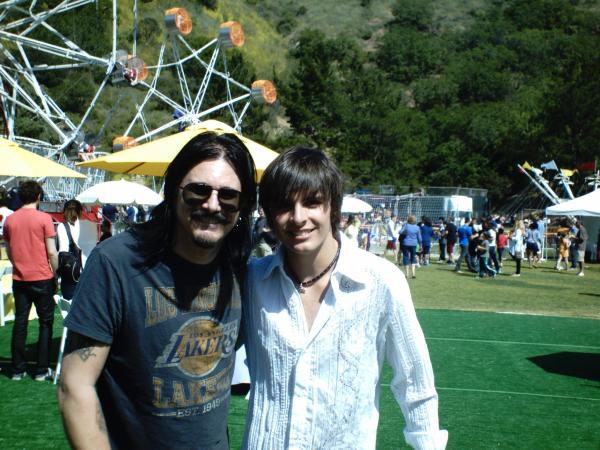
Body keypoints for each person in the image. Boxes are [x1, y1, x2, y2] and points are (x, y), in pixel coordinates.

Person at [57, 132, 257, 450]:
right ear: (174, 191)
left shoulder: (242, 268)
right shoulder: (118, 263)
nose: (212, 204)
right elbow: (75, 385)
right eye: (198, 190)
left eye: (228, 196)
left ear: (243, 205)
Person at [243, 146, 447, 450]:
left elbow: (415, 381)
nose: (298, 217)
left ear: (333, 208)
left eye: (312, 202)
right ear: (269, 215)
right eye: (285, 205)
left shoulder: (380, 282)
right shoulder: (251, 281)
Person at [3, 180, 58, 381]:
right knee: (46, 323)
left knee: (20, 322)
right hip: (43, 277)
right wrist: (56, 273)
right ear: (38, 196)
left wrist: (19, 263)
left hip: (20, 278)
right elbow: (52, 252)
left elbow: (9, 249)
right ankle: (41, 370)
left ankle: (18, 369)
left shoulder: (10, 220)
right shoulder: (44, 218)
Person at [57, 199, 84, 300]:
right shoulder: (87, 225)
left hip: (70, 272)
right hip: (86, 271)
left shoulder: (62, 226)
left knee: (70, 305)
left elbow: (63, 250)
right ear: (80, 211)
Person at [399, 214, 422, 279]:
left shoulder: (406, 225)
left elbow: (401, 232)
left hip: (405, 243)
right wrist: (420, 245)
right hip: (414, 244)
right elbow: (419, 238)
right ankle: (413, 273)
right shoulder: (417, 227)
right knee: (413, 257)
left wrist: (403, 232)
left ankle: (407, 274)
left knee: (405, 257)